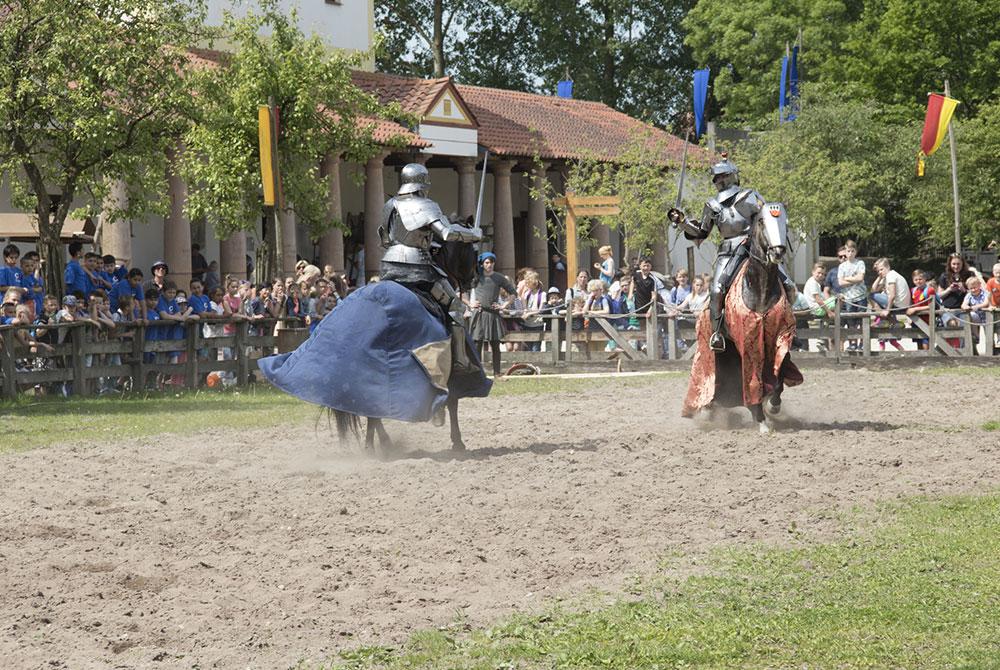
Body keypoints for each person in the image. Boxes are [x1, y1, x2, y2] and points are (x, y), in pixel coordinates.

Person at [668, 155, 795, 351]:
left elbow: (768, 219)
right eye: (716, 178)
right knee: (717, 290)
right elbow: (702, 232)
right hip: (728, 253)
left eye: (722, 177)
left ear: (731, 176)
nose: (719, 182)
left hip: (756, 249)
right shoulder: (712, 205)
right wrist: (683, 222)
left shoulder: (750, 196)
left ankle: (787, 325)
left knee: (789, 284)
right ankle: (717, 333)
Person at [378, 162, 482, 374]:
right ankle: (460, 361)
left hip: (388, 268)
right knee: (456, 307)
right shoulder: (426, 204)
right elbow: (445, 233)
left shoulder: (390, 205)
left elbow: (385, 239)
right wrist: (474, 234)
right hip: (418, 269)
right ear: (422, 184)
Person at [469, 252, 516, 377]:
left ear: (494, 263)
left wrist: (504, 305)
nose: (489, 265)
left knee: (495, 343)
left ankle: (497, 373)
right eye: (486, 262)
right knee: (477, 344)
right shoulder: (476, 277)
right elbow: (461, 291)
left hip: (493, 314)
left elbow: (513, 293)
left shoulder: (499, 277)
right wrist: (470, 303)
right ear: (483, 264)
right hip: (479, 313)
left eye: (491, 262)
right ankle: (477, 375)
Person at [837, 241, 867, 351]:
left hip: (860, 296)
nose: (850, 253)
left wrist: (847, 278)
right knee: (851, 322)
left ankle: (862, 343)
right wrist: (854, 278)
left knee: (862, 321)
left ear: (856, 252)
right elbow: (840, 283)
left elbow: (860, 278)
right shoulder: (842, 266)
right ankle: (852, 343)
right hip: (848, 298)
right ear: (845, 251)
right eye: (848, 251)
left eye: (852, 251)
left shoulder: (860, 263)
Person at [937, 253, 971, 328]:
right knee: (951, 325)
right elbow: (939, 295)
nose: (956, 266)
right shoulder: (944, 276)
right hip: (948, 310)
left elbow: (976, 293)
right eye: (954, 264)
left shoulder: (969, 275)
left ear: (963, 264)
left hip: (963, 309)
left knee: (963, 328)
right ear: (950, 264)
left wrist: (964, 289)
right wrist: (949, 290)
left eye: (958, 264)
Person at [906, 270, 935, 350]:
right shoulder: (913, 290)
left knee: (925, 341)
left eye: (920, 279)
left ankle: (928, 359)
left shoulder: (929, 290)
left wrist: (915, 309)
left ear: (925, 279)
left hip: (927, 320)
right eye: (916, 279)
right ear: (913, 280)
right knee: (918, 339)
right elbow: (910, 304)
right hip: (916, 320)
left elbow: (931, 306)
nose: (918, 281)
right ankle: (920, 360)